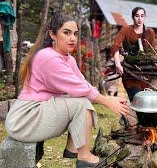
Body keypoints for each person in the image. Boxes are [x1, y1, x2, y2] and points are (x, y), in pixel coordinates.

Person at [5, 13, 130, 168]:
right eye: (66, 32)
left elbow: (82, 84)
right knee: (81, 104)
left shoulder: (67, 58)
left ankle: (73, 149)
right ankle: (84, 157)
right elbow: (80, 89)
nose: (72, 38)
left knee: (81, 101)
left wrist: (108, 98)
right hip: (24, 119)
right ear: (52, 34)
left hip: (39, 110)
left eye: (75, 34)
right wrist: (107, 102)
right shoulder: (48, 58)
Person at [111, 6, 156, 101]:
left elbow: (152, 52)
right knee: (136, 100)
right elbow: (115, 46)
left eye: (142, 16)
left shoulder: (150, 32)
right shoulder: (126, 29)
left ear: (145, 17)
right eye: (137, 16)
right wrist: (118, 65)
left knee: (147, 103)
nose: (140, 19)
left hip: (145, 75)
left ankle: (125, 116)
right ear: (132, 17)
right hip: (130, 74)